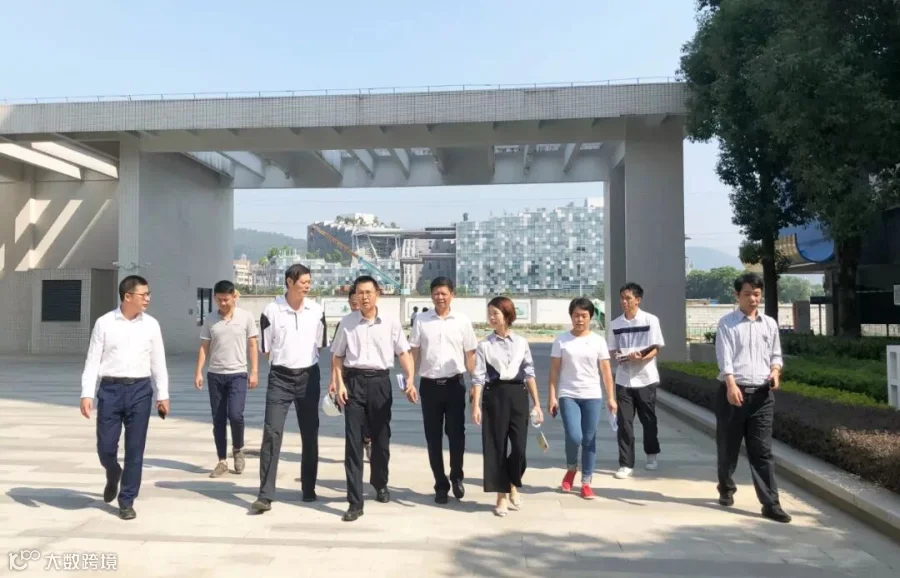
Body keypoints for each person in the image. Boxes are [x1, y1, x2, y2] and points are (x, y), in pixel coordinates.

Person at [80, 275, 169, 520]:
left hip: (140, 390)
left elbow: (158, 362)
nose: (148, 299)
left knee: (135, 449)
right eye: (143, 295)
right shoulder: (104, 323)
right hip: (110, 390)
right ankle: (112, 472)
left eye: (148, 294)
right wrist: (87, 393)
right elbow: (92, 360)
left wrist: (162, 394)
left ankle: (127, 500)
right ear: (128, 296)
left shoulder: (151, 325)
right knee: (105, 447)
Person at [331, 275, 416, 522]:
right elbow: (337, 356)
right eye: (360, 293)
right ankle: (354, 502)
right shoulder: (347, 323)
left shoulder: (390, 322)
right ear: (355, 296)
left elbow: (404, 352)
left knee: (381, 439)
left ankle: (380, 482)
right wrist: (340, 383)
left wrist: (410, 379)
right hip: (354, 383)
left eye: (368, 292)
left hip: (380, 383)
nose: (364, 297)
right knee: (353, 442)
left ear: (377, 294)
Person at [714, 273, 791, 523]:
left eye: (756, 294)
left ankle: (771, 504)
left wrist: (776, 371)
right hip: (733, 394)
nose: (753, 299)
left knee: (762, 452)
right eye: (747, 294)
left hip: (762, 397)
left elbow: (776, 355)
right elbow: (725, 358)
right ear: (737, 295)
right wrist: (730, 384)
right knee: (728, 448)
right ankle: (726, 487)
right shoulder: (727, 324)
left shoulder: (769, 324)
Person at [250, 264, 327, 514]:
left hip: (309, 377)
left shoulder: (316, 310)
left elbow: (320, 344)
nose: (307, 286)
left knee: (310, 433)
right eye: (303, 281)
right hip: (280, 378)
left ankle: (309, 488)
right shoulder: (271, 310)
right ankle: (265, 495)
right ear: (289, 282)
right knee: (272, 433)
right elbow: (265, 348)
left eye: (309, 282)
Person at [471, 296, 543, 517]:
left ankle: (512, 482)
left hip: (518, 396)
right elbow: (478, 377)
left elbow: (529, 373)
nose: (491, 318)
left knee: (519, 448)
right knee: (496, 448)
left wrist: (537, 404)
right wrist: (476, 405)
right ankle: (501, 496)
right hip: (494, 396)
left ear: (507, 314)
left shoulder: (521, 342)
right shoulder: (484, 345)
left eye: (495, 313)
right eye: (489, 314)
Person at [409, 277, 478, 504]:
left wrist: (475, 383)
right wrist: (409, 380)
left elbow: (470, 355)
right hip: (429, 386)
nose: (440, 297)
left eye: (444, 293)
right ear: (431, 296)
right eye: (436, 293)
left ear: (452, 295)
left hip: (455, 385)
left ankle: (457, 476)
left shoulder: (462, 321)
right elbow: (414, 351)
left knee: (457, 435)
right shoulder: (421, 320)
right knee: (433, 437)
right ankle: (440, 484)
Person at [547, 297, 616, 499]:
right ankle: (571, 468)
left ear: (590, 317)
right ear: (571, 316)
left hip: (592, 395)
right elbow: (554, 371)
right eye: (576, 315)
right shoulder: (561, 340)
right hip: (568, 394)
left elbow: (606, 371)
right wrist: (552, 397)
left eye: (584, 316)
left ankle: (586, 482)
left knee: (589, 439)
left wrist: (611, 398)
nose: (580, 319)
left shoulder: (598, 341)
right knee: (574, 436)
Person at [194, 280, 259, 478]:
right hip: (215, 375)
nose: (222, 303)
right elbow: (204, 346)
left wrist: (254, 371)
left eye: (226, 299)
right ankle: (222, 460)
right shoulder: (210, 319)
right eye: (219, 300)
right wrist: (198, 371)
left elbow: (253, 345)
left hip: (238, 374)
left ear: (234, 297)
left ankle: (238, 449)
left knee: (235, 415)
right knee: (218, 419)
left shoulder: (246, 317)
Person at [607, 282, 665, 479]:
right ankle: (625, 463)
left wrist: (641, 357)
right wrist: (619, 356)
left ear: (638, 300)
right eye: (622, 298)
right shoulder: (615, 324)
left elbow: (656, 348)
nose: (624, 302)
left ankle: (651, 454)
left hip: (646, 378)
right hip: (623, 379)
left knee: (648, 420)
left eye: (628, 298)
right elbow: (612, 349)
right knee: (624, 422)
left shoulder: (651, 320)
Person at [329, 288, 372, 460]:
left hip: (372, 379)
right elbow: (336, 355)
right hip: (349, 379)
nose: (357, 307)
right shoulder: (345, 324)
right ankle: (356, 453)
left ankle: (367, 438)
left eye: (360, 303)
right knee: (353, 418)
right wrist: (334, 380)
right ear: (349, 304)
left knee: (371, 417)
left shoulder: (374, 322)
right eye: (354, 304)